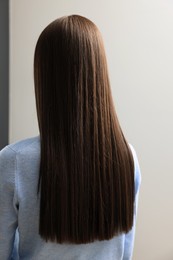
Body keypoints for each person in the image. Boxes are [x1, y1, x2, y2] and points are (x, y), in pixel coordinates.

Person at [0, 14, 141, 260]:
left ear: (44, 77)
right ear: (99, 73)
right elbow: (124, 252)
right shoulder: (127, 157)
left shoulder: (14, 161)